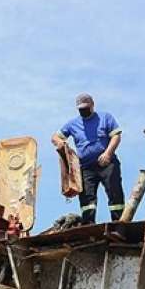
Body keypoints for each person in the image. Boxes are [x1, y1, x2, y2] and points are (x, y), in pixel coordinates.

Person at [53, 93, 125, 224]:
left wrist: (108, 153)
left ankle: (118, 222)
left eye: (86, 108)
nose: (84, 111)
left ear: (92, 105)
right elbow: (55, 137)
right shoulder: (72, 124)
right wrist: (61, 143)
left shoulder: (105, 117)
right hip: (86, 167)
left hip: (107, 163)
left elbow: (116, 136)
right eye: (81, 109)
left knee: (114, 192)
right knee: (87, 197)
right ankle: (88, 223)